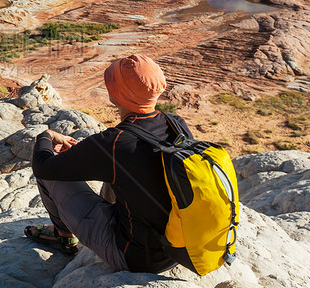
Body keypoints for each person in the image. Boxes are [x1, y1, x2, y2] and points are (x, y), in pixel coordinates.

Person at [25, 53, 192, 273]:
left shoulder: (115, 143)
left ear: (117, 93)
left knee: (51, 176)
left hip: (134, 257)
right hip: (179, 248)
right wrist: (88, 154)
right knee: (119, 176)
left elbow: (42, 166)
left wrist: (45, 136)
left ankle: (63, 236)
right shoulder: (176, 124)